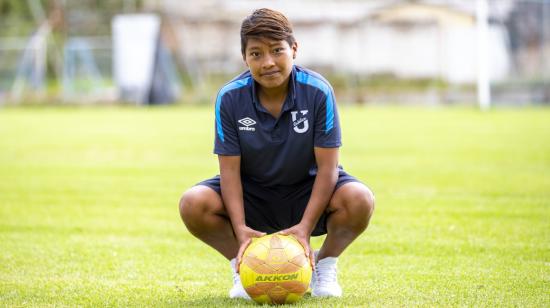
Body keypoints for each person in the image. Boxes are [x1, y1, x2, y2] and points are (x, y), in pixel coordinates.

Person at [179, 8, 375, 299]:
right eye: (256, 54)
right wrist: (241, 228)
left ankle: (324, 264)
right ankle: (243, 267)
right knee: (193, 203)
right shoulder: (230, 97)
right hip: (252, 194)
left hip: (306, 191)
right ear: (245, 58)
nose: (267, 62)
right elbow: (229, 171)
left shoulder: (318, 91)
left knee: (360, 199)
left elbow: (328, 169)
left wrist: (305, 229)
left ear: (294, 49)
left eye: (276, 50)